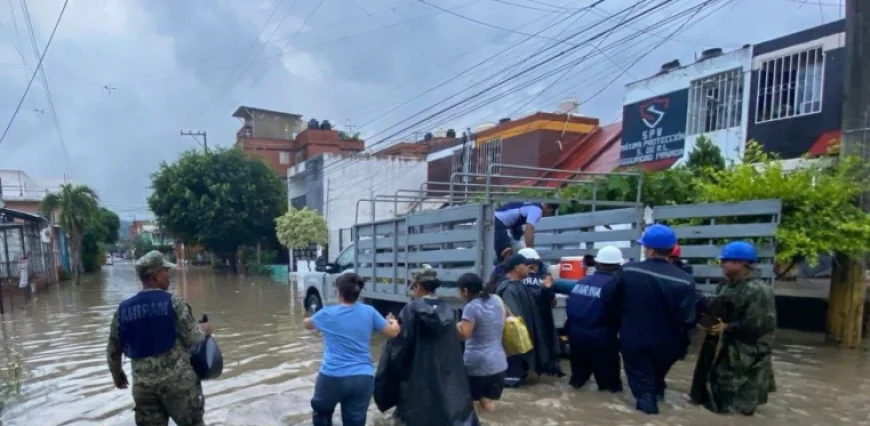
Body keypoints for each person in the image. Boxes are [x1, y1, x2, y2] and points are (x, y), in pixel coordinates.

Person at [106, 250, 213, 426]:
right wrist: (205, 329)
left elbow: (113, 350)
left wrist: (117, 376)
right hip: (179, 386)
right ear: (155, 276)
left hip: (144, 389)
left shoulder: (123, 310)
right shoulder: (174, 302)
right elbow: (193, 338)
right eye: (166, 271)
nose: (169, 276)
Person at [615, 224, 696, 414]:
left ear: (649, 249)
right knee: (657, 381)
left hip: (636, 342)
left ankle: (649, 417)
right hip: (670, 346)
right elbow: (687, 318)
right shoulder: (685, 280)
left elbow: (612, 301)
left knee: (644, 391)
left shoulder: (629, 271)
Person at [690, 241, 777, 416]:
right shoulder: (726, 286)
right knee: (715, 393)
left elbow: (760, 324)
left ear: (742, 263)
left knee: (739, 403)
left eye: (726, 261)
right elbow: (720, 310)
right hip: (723, 350)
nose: (722, 265)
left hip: (748, 355)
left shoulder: (758, 290)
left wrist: (727, 327)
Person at [304, 273, 400, 426]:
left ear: (339, 292)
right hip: (362, 378)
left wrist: (310, 316)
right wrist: (393, 321)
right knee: (355, 421)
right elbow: (393, 332)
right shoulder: (370, 312)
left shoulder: (327, 313)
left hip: (332, 376)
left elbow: (308, 324)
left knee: (321, 415)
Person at [390, 270, 478, 426]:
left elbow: (402, 344)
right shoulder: (446, 308)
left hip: (418, 374)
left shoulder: (411, 309)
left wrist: (393, 325)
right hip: (444, 371)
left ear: (418, 286)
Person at [494, 254, 563, 387]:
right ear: (517, 268)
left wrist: (545, 289)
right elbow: (512, 323)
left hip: (521, 345)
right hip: (515, 349)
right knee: (514, 378)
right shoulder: (509, 288)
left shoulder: (517, 285)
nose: (529, 269)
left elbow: (533, 299)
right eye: (526, 266)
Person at [565, 245, 623, 393]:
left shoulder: (583, 281)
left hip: (576, 335)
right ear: (619, 265)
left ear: (597, 263)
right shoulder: (615, 285)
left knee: (577, 383)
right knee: (610, 389)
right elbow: (618, 313)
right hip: (601, 337)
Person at [457, 273, 507, 413]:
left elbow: (464, 335)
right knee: (487, 401)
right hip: (499, 364)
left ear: (465, 291)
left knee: (468, 405)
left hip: (478, 365)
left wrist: (451, 324)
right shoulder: (496, 299)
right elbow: (505, 318)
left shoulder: (471, 307)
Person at [516, 248, 563, 376]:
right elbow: (552, 302)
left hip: (525, 322)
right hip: (542, 322)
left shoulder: (515, 281)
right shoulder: (545, 280)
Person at [493, 202, 558, 261]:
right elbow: (529, 230)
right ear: (550, 211)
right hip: (498, 220)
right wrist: (531, 252)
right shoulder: (537, 210)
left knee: (517, 236)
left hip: (503, 219)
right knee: (504, 255)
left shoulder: (534, 203)